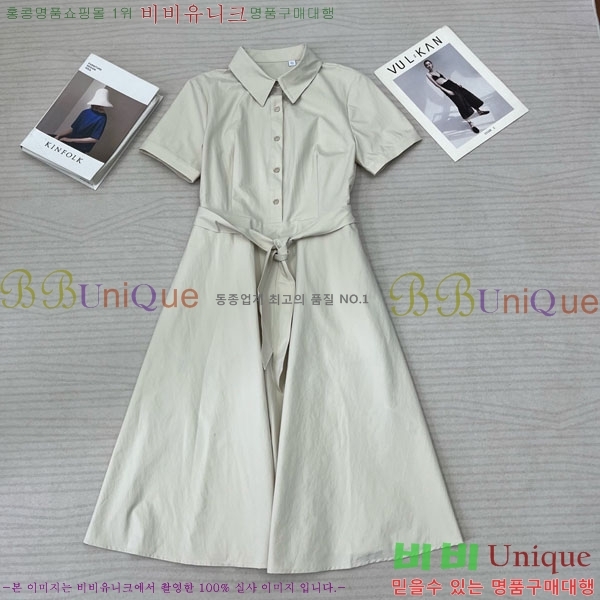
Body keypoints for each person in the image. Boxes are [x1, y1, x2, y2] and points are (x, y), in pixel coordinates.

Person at [424, 59, 489, 134]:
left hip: (452, 85)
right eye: (427, 65)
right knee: (460, 103)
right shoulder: (428, 74)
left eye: (429, 64)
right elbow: (437, 85)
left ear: (432, 64)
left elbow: (446, 79)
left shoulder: (437, 71)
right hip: (447, 88)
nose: (428, 66)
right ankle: (470, 123)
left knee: (468, 96)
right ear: (426, 67)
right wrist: (447, 91)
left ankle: (479, 111)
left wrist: (457, 84)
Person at [53, 87, 112, 153]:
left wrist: (70, 140)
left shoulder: (102, 118)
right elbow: (73, 129)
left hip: (81, 147)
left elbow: (94, 139)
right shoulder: (85, 112)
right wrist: (59, 135)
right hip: (70, 141)